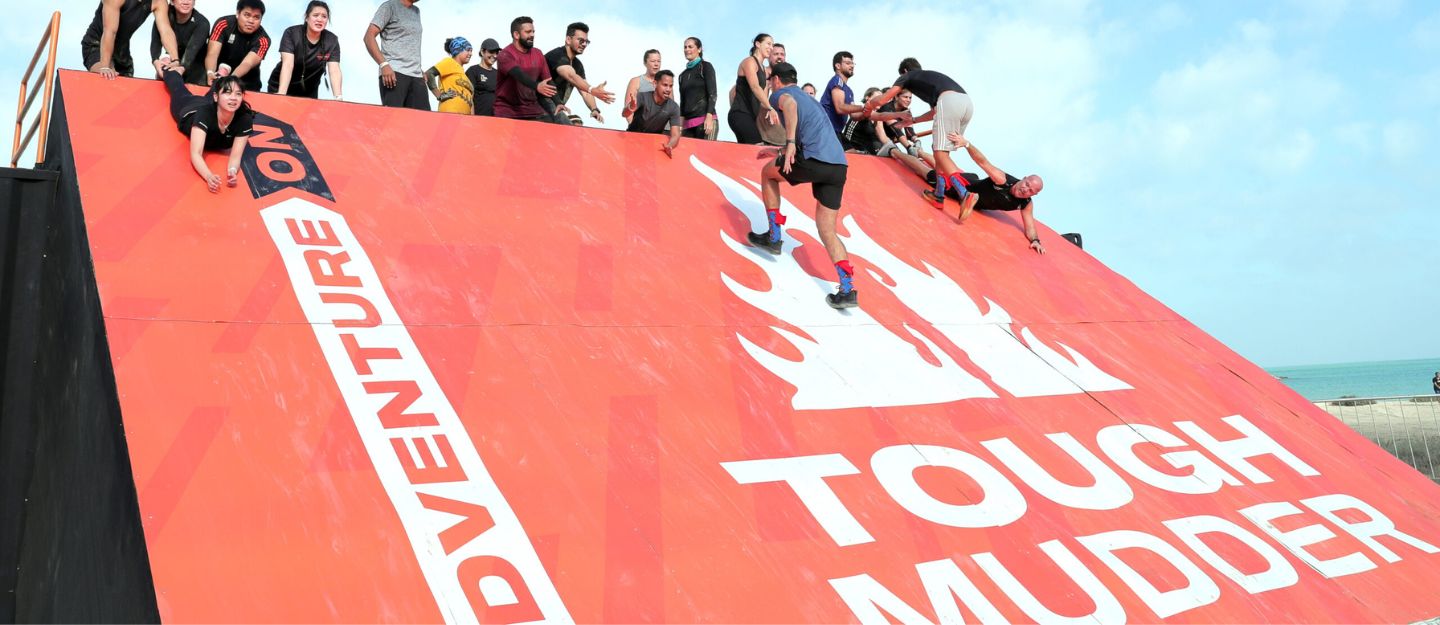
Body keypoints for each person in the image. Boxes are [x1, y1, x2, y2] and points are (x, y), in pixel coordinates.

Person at [747, 62, 857, 310]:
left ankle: (774, 237)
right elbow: (814, 133)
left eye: (770, 79)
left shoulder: (781, 94)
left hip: (816, 160)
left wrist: (790, 143)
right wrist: (782, 148)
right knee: (827, 228)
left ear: (776, 79)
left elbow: (790, 106)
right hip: (838, 166)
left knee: (767, 174)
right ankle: (847, 288)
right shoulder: (811, 101)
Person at [865, 58, 974, 209]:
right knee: (942, 154)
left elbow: (885, 98)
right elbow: (935, 112)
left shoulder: (907, 76)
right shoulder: (931, 81)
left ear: (904, 71)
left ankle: (964, 193)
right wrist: (914, 121)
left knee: (940, 155)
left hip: (949, 102)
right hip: (966, 104)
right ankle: (939, 195)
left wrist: (869, 105)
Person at [936, 132, 1047, 252]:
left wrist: (1035, 241)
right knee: (928, 172)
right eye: (1027, 184)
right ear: (1024, 178)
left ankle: (917, 151)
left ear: (1033, 195)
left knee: (938, 165)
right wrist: (967, 144)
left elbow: (1030, 226)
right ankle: (916, 151)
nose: (1025, 190)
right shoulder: (1002, 179)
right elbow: (982, 162)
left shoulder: (1026, 203)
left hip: (973, 189)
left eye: (1030, 191)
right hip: (962, 186)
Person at [160, 66, 253, 193]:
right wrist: (208, 176)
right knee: (178, 90)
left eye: (238, 94)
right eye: (228, 92)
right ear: (217, 97)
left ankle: (219, 78)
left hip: (215, 106)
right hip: (189, 107)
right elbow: (196, 153)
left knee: (216, 94)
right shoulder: (204, 114)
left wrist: (232, 171)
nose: (233, 98)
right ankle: (171, 70)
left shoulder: (244, 119)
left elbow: (236, 156)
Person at [83, 0, 181, 80]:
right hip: (97, 46)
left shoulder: (159, 2)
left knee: (127, 89)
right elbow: (110, 31)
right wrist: (105, 66)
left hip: (122, 52)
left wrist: (175, 60)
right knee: (108, 79)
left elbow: (166, 31)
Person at [266, 1, 342, 99]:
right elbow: (288, 64)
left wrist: (339, 98)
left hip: (309, 91)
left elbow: (334, 70)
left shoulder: (332, 40)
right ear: (306, 17)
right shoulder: (291, 33)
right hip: (281, 87)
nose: (320, 19)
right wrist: (281, 94)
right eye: (315, 15)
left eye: (324, 16)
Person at [545, 22, 616, 125]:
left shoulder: (577, 65)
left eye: (586, 42)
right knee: (566, 127)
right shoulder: (557, 55)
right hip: (536, 103)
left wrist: (594, 109)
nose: (584, 44)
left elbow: (585, 91)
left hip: (555, 108)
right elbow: (571, 76)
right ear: (568, 40)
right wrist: (593, 89)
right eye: (581, 40)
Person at [364, 0, 427, 111]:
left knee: (423, 123)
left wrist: (419, 69)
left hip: (416, 76)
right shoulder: (389, 6)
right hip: (394, 73)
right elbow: (369, 37)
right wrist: (383, 64)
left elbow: (410, 42)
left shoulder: (416, 11)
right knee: (393, 121)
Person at [495, 16, 558, 122]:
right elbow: (518, 74)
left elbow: (548, 81)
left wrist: (558, 102)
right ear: (516, 35)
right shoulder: (505, 54)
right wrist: (537, 86)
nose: (532, 35)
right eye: (528, 32)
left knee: (552, 129)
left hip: (532, 109)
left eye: (533, 32)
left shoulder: (538, 53)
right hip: (507, 111)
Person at [204, 0, 270, 91]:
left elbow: (247, 63)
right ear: (238, 13)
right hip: (215, 74)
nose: (251, 21)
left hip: (247, 82)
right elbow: (212, 53)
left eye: (256, 17)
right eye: (247, 15)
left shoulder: (264, 40)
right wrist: (210, 72)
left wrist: (230, 80)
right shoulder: (223, 24)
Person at [728, 33, 776, 145]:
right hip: (739, 114)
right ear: (758, 44)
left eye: (772, 45)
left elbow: (762, 101)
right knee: (758, 148)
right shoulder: (749, 62)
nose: (771, 48)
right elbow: (755, 87)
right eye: (768, 44)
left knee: (747, 154)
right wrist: (770, 108)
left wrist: (770, 109)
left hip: (751, 118)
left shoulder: (764, 70)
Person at [149, 0, 210, 87]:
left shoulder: (202, 23)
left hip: (196, 68)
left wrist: (181, 67)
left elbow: (191, 51)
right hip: (174, 62)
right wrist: (155, 61)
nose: (186, 1)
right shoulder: (164, 16)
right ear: (172, 2)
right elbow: (155, 43)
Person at [626, 70, 683, 157]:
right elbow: (624, 114)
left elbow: (675, 134)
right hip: (632, 140)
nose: (668, 89)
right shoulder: (642, 96)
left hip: (651, 145)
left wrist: (669, 145)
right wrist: (630, 108)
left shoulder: (674, 107)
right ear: (655, 84)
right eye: (665, 85)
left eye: (670, 86)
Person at [819, 51, 865, 140]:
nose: (852, 66)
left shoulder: (849, 91)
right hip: (825, 131)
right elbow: (840, 108)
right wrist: (864, 107)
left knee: (854, 152)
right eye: (848, 63)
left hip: (836, 132)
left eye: (852, 63)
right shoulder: (837, 80)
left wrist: (868, 111)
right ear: (838, 66)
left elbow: (854, 116)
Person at [678, 37, 717, 140]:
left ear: (699, 49)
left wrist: (709, 117)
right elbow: (683, 101)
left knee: (705, 156)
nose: (687, 49)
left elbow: (712, 93)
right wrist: (680, 126)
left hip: (705, 120)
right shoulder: (682, 75)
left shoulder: (706, 67)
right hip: (688, 125)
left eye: (690, 47)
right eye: (685, 47)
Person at [426, 37, 474, 114]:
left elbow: (471, 102)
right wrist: (439, 96)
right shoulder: (449, 62)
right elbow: (429, 74)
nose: (471, 54)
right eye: (468, 50)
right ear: (458, 50)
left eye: (471, 51)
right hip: (449, 114)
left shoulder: (465, 77)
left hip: (465, 120)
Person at [622, 50, 661, 129]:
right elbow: (628, 109)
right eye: (653, 61)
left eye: (659, 61)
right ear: (645, 63)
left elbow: (670, 109)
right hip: (640, 130)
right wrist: (634, 127)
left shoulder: (665, 83)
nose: (656, 64)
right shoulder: (636, 81)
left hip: (662, 131)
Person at [466, 38, 500, 116]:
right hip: (479, 120)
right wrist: (472, 118)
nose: (495, 56)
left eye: (497, 52)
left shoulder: (498, 74)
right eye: (491, 52)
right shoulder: (473, 71)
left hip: (496, 120)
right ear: (482, 52)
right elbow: (469, 97)